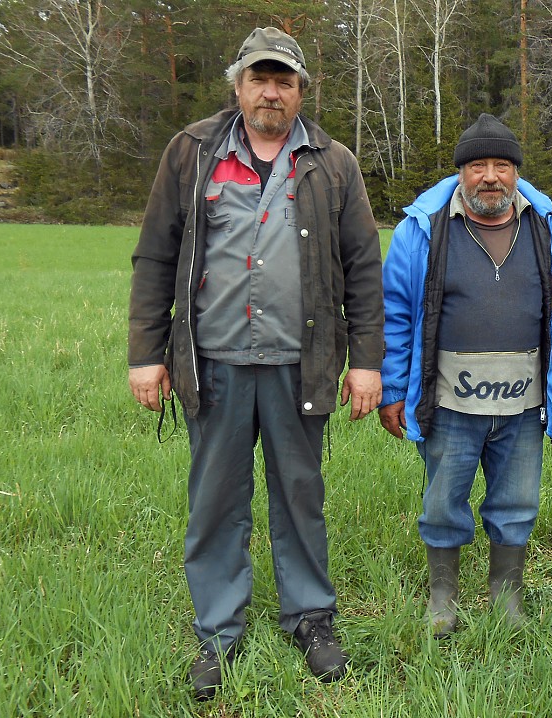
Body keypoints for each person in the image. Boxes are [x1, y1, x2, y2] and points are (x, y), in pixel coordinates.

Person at [127, 26, 384, 699]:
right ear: (238, 84)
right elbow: (156, 255)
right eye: (259, 78)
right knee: (216, 501)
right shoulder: (191, 152)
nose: (272, 91)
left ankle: (310, 618)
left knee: (301, 495)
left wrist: (367, 362)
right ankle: (218, 631)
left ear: (301, 90)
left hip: (303, 363)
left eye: (285, 80)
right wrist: (145, 354)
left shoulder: (334, 162)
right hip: (212, 362)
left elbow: (363, 269)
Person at [379, 113, 552, 637]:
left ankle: (506, 597)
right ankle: (442, 601)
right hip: (449, 402)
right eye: (478, 166)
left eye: (502, 165)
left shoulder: (545, 230)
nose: (490, 176)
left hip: (524, 404)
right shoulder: (422, 232)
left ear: (516, 172)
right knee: (442, 502)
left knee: (517, 502)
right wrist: (390, 389)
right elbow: (397, 315)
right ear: (460, 173)